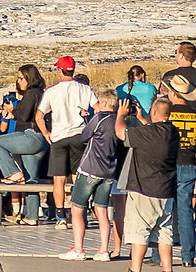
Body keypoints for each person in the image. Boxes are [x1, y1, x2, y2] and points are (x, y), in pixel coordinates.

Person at [159, 43, 196, 266]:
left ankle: (159, 254)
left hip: (169, 162)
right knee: (186, 209)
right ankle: (188, 256)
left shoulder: (169, 111)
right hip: (189, 158)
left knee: (163, 210)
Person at [118, 92, 179, 272]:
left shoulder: (148, 133)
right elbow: (154, 132)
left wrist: (121, 115)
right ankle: (167, 268)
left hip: (144, 189)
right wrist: (142, 119)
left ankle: (135, 269)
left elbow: (120, 133)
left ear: (153, 112)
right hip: (166, 190)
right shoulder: (173, 132)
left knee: (140, 231)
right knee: (164, 232)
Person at [63, 87, 121, 262]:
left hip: (90, 169)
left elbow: (84, 137)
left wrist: (89, 120)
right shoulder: (118, 120)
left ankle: (78, 249)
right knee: (101, 210)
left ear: (105, 103)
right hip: (108, 171)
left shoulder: (99, 118)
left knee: (77, 208)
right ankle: (104, 250)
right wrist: (88, 118)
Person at [42, 57, 98, 225]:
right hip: (79, 136)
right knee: (77, 177)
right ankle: (79, 213)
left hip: (59, 137)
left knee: (58, 180)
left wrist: (46, 133)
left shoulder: (52, 91)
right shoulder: (84, 89)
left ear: (60, 71)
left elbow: (39, 115)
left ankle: (60, 217)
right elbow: (98, 109)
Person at [0, 64, 49, 224]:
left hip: (31, 136)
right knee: (31, 179)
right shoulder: (41, 93)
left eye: (21, 78)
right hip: (41, 139)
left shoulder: (31, 93)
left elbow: (23, 115)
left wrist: (12, 109)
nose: (18, 81)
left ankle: (12, 173)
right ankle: (31, 216)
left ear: (29, 78)